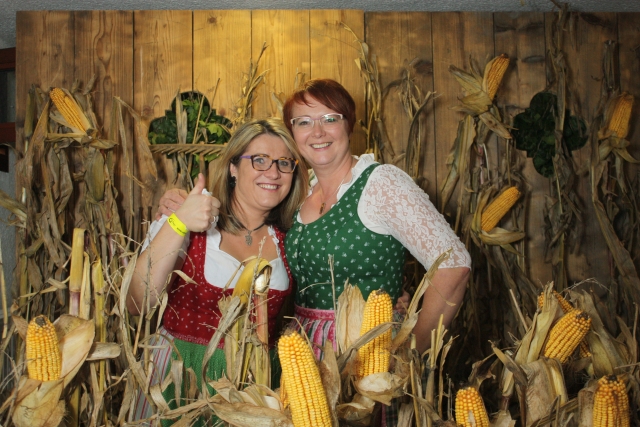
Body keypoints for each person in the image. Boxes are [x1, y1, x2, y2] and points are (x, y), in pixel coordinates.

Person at [127, 118, 308, 425]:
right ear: (233, 167)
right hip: (183, 378)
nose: (273, 172)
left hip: (258, 387)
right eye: (259, 160)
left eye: (284, 163)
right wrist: (179, 221)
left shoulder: (290, 237)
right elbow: (137, 303)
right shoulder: (190, 219)